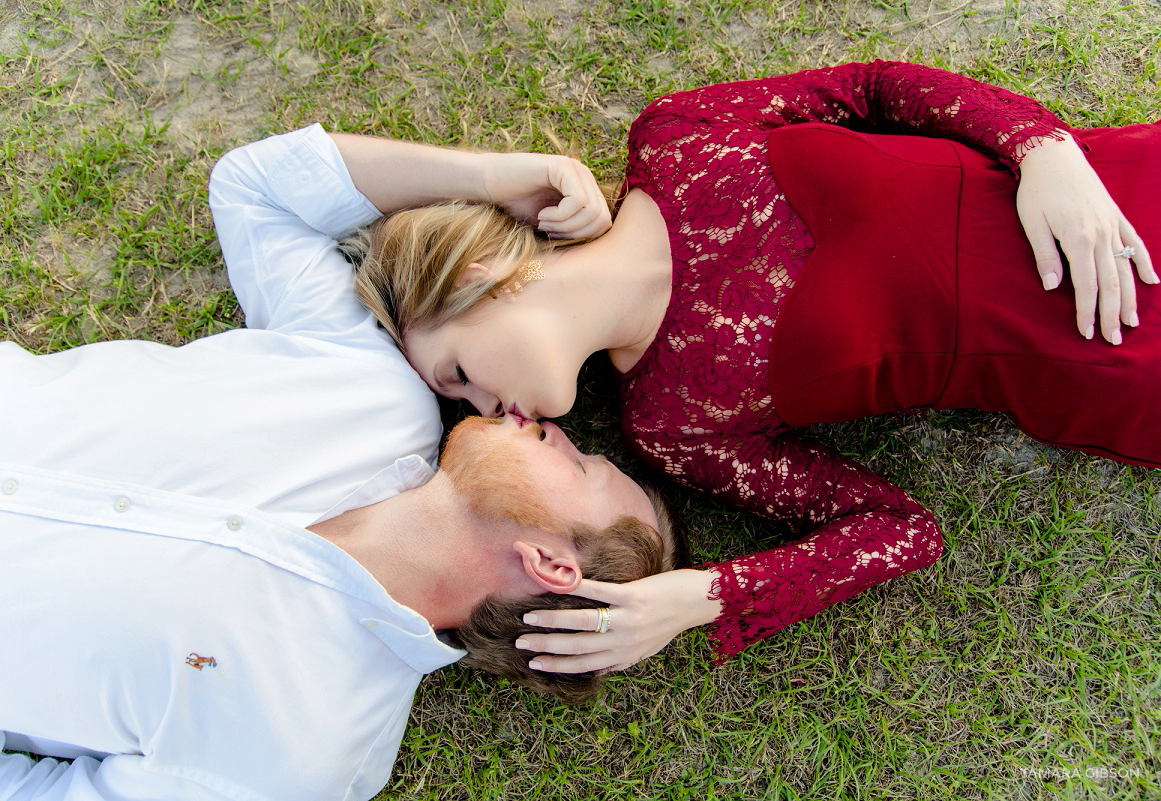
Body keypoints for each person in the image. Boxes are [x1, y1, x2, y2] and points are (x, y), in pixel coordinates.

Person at [345, 60, 1160, 674]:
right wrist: (699, 598)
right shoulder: (674, 424)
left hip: (1115, 190)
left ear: (476, 282)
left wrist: (1045, 150)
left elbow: (875, 88)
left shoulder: (677, 137)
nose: (483, 409)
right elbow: (897, 530)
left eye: (456, 373)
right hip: (1116, 352)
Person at [0, 126, 676, 801]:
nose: (557, 428)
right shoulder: (375, 392)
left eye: (581, 465)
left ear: (551, 564)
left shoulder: (311, 750)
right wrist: (497, 176)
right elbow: (256, 189)